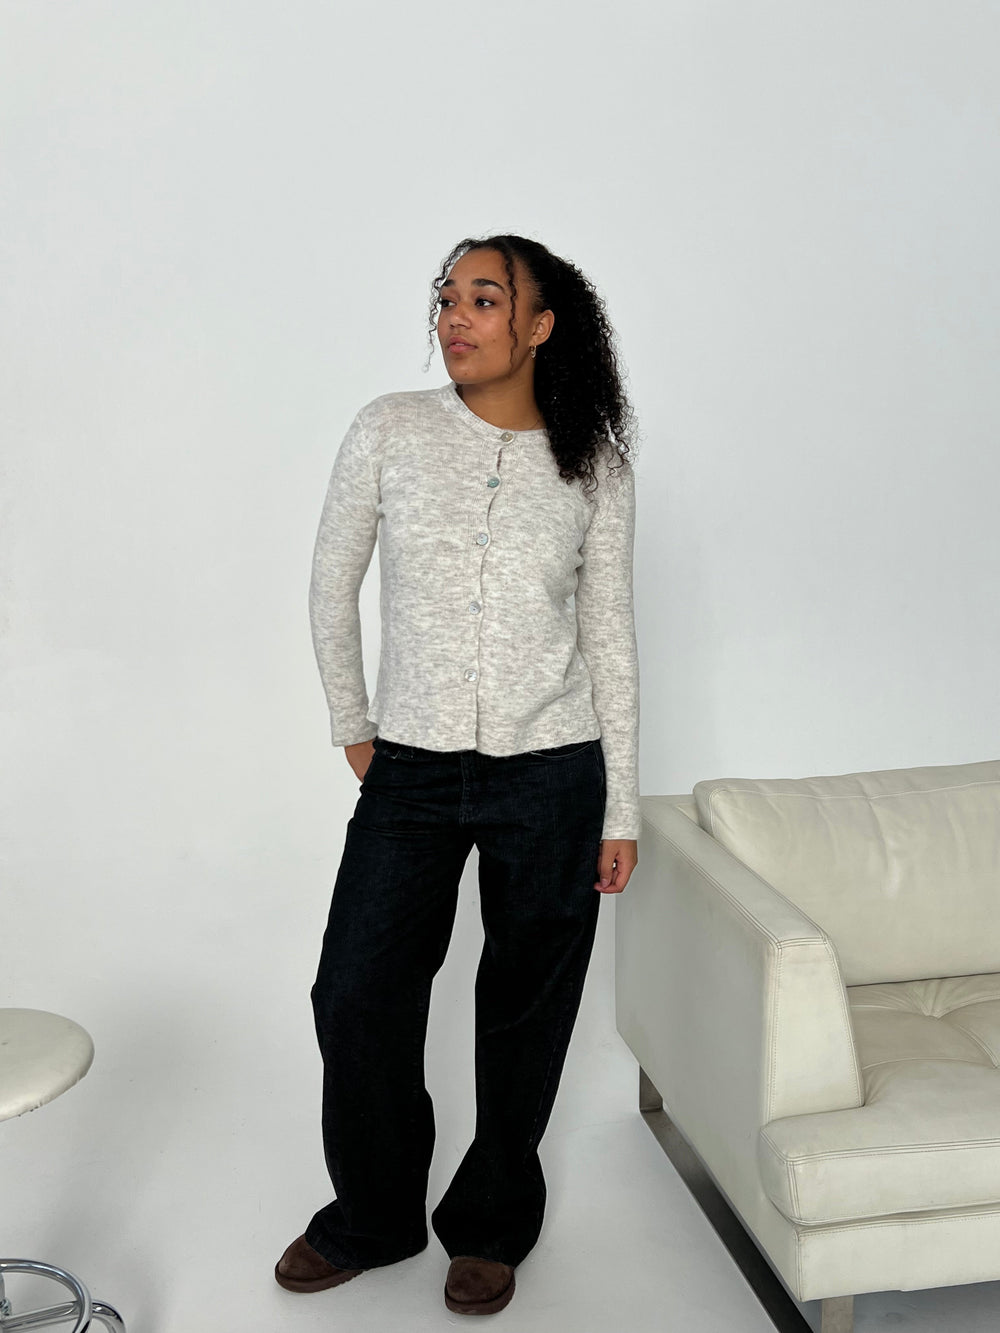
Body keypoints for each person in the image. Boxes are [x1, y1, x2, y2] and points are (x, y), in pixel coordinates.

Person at [275, 233, 641, 1316]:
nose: (454, 317)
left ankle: (489, 1223)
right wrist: (356, 724)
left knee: (525, 1005)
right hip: (413, 771)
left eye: (484, 299)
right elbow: (330, 581)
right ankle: (374, 1214)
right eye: (446, 297)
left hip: (553, 771)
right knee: (356, 990)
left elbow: (609, 637)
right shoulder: (390, 427)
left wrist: (620, 804)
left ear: (540, 325)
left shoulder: (594, 463)